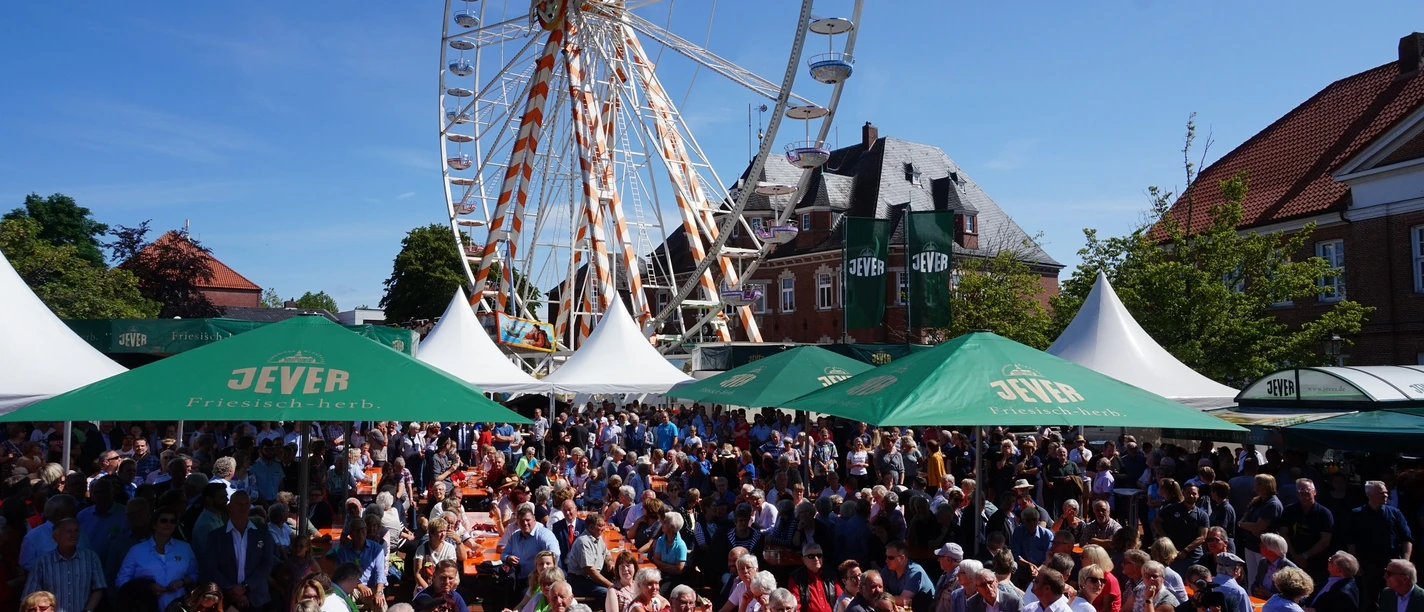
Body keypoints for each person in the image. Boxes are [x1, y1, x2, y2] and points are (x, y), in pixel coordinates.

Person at [200, 490, 276, 611]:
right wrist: (232, 589)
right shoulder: (216, 536)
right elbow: (211, 568)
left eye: (246, 503)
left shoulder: (262, 533)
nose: (244, 507)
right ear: (229, 507)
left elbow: (266, 564)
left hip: (256, 597)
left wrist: (245, 587)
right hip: (226, 598)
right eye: (239, 504)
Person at [117, 505, 199, 612]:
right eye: (164, 521)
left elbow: (195, 574)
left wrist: (182, 582)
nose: (168, 524)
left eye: (172, 521)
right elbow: (121, 580)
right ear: (154, 525)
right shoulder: (136, 550)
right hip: (145, 606)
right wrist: (146, 588)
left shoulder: (185, 547)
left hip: (179, 606)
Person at [1350, 480, 1414, 612]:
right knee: (1370, 600)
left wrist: (1405, 561)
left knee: (1395, 597)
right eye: (1381, 493)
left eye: (1386, 492)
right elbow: (1351, 541)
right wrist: (1355, 562)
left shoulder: (1395, 513)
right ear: (1369, 494)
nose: (1386, 495)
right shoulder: (1356, 514)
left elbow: (1407, 539)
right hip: (1368, 565)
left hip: (1392, 564)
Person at [22, 518, 105, 612]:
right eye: (68, 531)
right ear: (55, 537)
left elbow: (98, 588)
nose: (73, 534)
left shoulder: (91, 557)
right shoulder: (43, 562)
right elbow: (31, 595)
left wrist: (88, 610)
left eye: (76, 531)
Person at [1276, 478, 1333, 582]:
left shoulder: (1324, 513)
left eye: (1307, 490)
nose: (1304, 493)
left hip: (1316, 561)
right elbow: (1283, 533)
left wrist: (1305, 556)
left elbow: (1325, 540)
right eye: (1300, 490)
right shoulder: (1289, 510)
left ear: (1314, 492)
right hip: (1292, 559)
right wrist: (1295, 556)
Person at [507, 507, 562, 582]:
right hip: (517, 578)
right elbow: (504, 554)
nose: (525, 523)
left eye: (527, 520)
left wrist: (544, 572)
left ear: (534, 520)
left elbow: (555, 554)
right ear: (518, 523)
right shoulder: (515, 536)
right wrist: (508, 557)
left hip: (539, 580)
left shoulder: (544, 535)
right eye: (522, 521)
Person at [882, 540, 934, 612]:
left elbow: (903, 601)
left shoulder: (915, 572)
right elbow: (880, 592)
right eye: (886, 557)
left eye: (890, 558)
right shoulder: (888, 569)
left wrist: (886, 599)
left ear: (902, 558)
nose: (886, 560)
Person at [788, 543, 839, 612]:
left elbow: (841, 598)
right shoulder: (796, 578)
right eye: (811, 556)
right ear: (804, 560)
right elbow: (795, 606)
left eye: (819, 555)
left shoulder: (830, 575)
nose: (816, 559)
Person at [1252, 533, 1299, 600]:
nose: (1259, 546)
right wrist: (1255, 589)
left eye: (1262, 545)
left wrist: (1271, 595)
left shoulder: (1290, 569)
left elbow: (1296, 596)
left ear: (1271, 550)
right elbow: (1256, 583)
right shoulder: (1263, 562)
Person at [1080, 546, 1120, 612]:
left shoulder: (1109, 580)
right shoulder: (1085, 574)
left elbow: (1106, 609)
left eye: (1082, 557)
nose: (1080, 559)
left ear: (1092, 559)